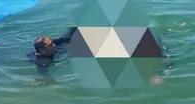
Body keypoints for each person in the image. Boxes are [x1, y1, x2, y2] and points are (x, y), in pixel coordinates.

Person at [29, 27, 173, 82]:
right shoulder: (41, 61)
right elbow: (45, 75)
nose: (53, 46)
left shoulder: (55, 45)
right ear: (41, 51)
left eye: (52, 43)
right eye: (50, 46)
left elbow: (65, 39)